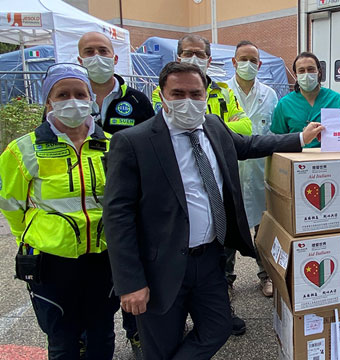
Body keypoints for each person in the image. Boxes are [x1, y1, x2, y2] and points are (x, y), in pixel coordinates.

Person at [103, 62, 323, 360]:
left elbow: (249, 144)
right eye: (177, 93)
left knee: (218, 327)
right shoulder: (133, 142)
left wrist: (300, 139)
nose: (188, 101)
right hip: (161, 265)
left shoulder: (214, 126)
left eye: (195, 93)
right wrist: (130, 282)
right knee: (161, 346)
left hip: (208, 258)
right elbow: (118, 217)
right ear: (162, 95)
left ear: (206, 94)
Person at [0, 63, 118, 359]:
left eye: (80, 93)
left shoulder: (112, 145)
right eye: (62, 94)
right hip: (52, 262)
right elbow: (11, 204)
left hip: (103, 257)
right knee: (63, 340)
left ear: (91, 97)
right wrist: (28, 239)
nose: (73, 100)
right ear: (48, 101)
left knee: (102, 335)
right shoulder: (22, 149)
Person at [152, 34, 252, 334]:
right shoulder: (157, 102)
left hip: (214, 215)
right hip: (172, 221)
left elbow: (246, 131)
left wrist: (212, 126)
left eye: (196, 95)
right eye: (187, 53)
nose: (188, 101)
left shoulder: (219, 99)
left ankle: (220, 309)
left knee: (218, 266)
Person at [77, 31, 153, 358]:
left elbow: (152, 147)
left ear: (115, 57)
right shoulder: (68, 98)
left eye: (103, 50)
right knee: (92, 287)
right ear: (79, 58)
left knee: (132, 272)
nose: (97, 57)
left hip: (130, 207)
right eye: (89, 51)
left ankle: (137, 334)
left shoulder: (135, 101)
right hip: (85, 215)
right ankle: (90, 338)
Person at [225, 40, 278, 297]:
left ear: (260, 64)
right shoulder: (221, 92)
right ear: (234, 62)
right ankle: (226, 279)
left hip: (260, 171)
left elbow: (274, 133)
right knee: (227, 228)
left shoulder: (270, 94)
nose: (248, 64)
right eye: (242, 59)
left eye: (253, 60)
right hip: (229, 170)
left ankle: (265, 274)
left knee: (263, 230)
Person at [150, 34, 252, 135]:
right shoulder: (163, 92)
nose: (194, 59)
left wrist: (200, 128)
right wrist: (223, 127)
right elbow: (166, 128)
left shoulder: (224, 92)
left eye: (200, 54)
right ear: (179, 59)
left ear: (209, 61)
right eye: (188, 53)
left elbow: (246, 127)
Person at [271, 52, 340, 147]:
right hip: (298, 159)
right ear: (296, 75)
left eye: (311, 69)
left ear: (319, 72)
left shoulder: (337, 100)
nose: (306, 74)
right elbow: (279, 139)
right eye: (301, 71)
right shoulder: (285, 104)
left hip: (330, 158)